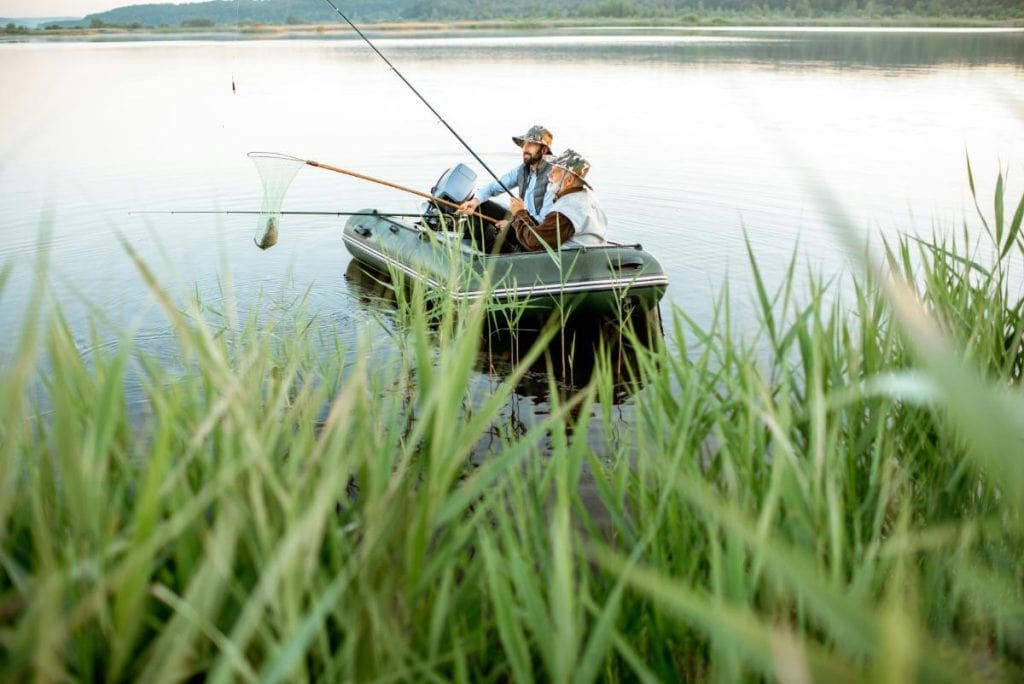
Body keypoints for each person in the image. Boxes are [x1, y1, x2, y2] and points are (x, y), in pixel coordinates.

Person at [458, 124, 555, 252]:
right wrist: (475, 201)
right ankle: (469, 252)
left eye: (531, 144)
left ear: (543, 150)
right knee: (482, 206)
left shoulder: (555, 174)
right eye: (524, 144)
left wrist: (513, 225)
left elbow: (545, 220)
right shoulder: (523, 170)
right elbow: (494, 187)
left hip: (535, 231)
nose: (524, 149)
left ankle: (495, 258)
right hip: (521, 218)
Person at [507, 148, 608, 252]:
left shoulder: (567, 209)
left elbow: (533, 243)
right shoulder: (587, 197)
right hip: (593, 257)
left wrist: (520, 213)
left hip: (569, 264)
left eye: (555, 171)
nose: (549, 175)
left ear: (569, 181)